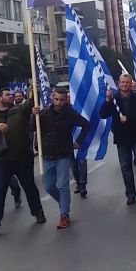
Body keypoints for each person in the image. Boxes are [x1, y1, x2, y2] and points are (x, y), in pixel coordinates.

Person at [0, 88, 46, 239]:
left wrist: (35, 91)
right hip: (2, 160)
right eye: (7, 94)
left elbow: (31, 103)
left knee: (29, 187)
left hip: (22, 157)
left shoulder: (19, 110)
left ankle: (38, 212)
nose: (11, 96)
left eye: (11, 94)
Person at [33, 87, 90, 229]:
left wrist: (78, 141)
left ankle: (64, 215)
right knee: (49, 186)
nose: (59, 102)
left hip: (64, 154)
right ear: (53, 98)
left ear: (66, 100)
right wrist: (33, 116)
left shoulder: (70, 113)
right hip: (47, 154)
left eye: (62, 100)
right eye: (56, 99)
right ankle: (64, 202)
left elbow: (86, 125)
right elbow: (32, 128)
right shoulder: (44, 112)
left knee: (63, 185)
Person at [100, 73, 136, 205]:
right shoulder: (114, 99)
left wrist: (129, 117)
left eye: (127, 82)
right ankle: (130, 194)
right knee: (125, 168)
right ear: (118, 83)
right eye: (123, 82)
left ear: (130, 84)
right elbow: (103, 114)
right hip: (122, 139)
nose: (125, 84)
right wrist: (107, 100)